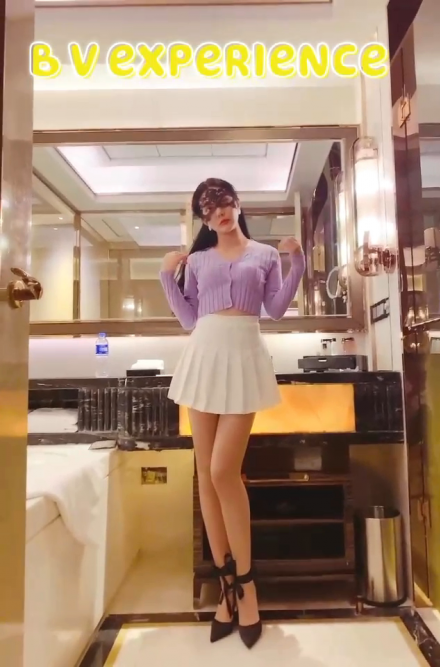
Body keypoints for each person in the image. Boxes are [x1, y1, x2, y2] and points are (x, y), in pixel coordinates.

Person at [160, 178, 305, 649]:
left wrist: (298, 262)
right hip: (203, 356)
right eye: (208, 209)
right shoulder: (197, 260)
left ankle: (247, 584)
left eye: (223, 202)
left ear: (237, 204)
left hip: (244, 357)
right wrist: (166, 277)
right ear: (203, 219)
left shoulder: (264, 255)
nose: (218, 213)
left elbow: (276, 309)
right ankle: (227, 589)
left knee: (224, 470)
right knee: (206, 474)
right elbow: (189, 318)